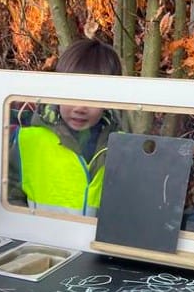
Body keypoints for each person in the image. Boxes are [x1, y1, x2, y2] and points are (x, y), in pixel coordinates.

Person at [7, 38, 123, 216]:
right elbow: (10, 197)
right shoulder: (28, 141)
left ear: (110, 99)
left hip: (94, 244)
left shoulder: (120, 145)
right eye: (72, 95)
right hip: (41, 242)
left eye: (92, 98)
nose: (80, 108)